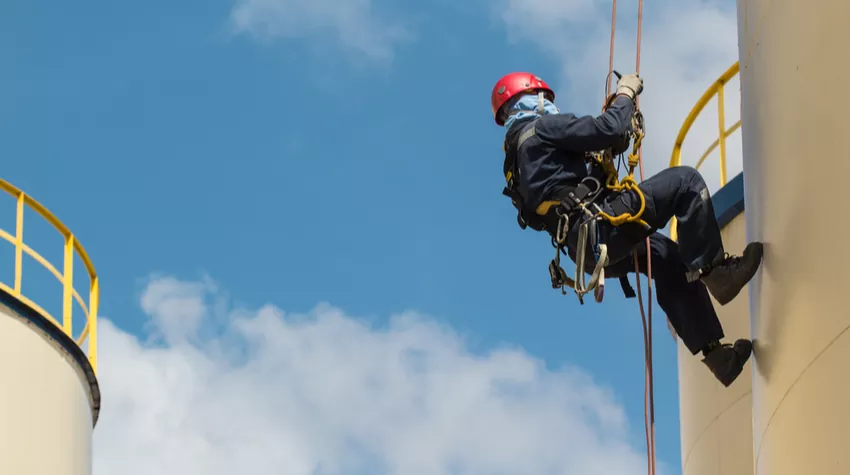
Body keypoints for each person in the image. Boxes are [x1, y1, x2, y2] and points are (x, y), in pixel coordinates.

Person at [491, 71, 763, 387]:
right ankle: (718, 272)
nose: (550, 106)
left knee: (669, 261)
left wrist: (603, 153)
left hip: (587, 249)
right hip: (600, 227)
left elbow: (580, 168)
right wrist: (625, 95)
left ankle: (719, 358)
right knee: (685, 182)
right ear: (533, 100)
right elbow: (608, 129)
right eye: (545, 100)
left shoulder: (516, 162)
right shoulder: (542, 128)